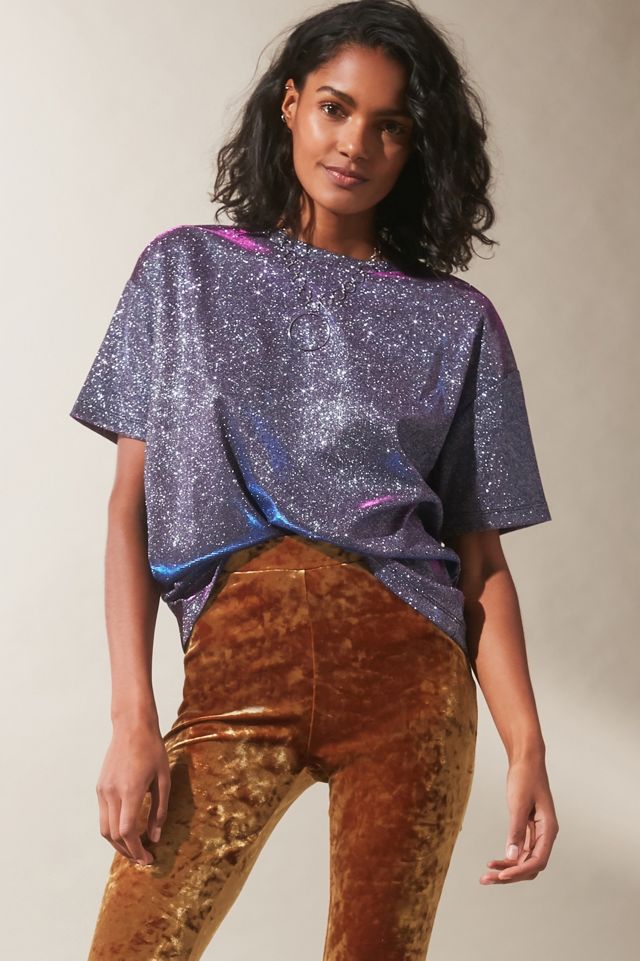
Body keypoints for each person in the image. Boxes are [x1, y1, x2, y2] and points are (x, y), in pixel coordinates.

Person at [69, 1, 559, 958]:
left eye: (390, 125)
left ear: (417, 145)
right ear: (290, 104)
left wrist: (527, 744)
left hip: (412, 682)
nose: (355, 144)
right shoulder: (184, 272)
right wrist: (133, 718)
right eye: (335, 108)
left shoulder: (457, 321)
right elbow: (130, 510)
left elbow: (480, 561)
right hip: (236, 664)